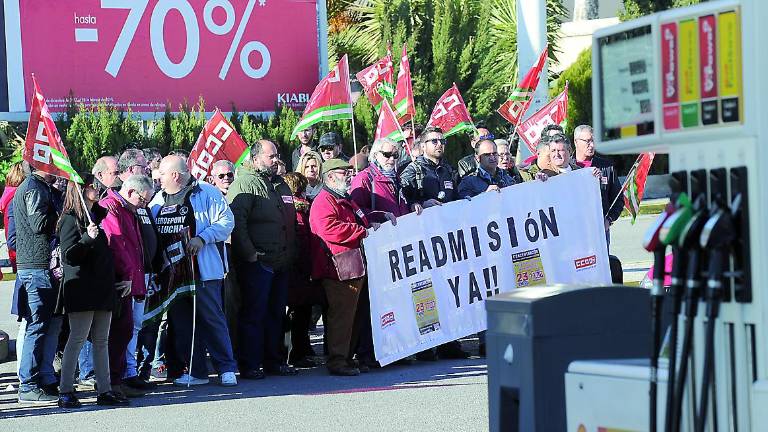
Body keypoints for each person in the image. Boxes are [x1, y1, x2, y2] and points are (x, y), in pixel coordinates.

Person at [150, 155, 238, 387]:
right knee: (182, 323)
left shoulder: (206, 192)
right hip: (174, 276)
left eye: (162, 174)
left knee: (212, 319)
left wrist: (202, 238)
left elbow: (227, 221)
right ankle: (196, 371)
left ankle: (226, 368)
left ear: (175, 176)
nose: (158, 179)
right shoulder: (158, 199)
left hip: (203, 273)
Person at [55, 175, 128, 408]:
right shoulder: (69, 219)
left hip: (102, 288)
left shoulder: (96, 214)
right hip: (82, 289)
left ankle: (104, 389)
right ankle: (65, 390)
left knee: (101, 340)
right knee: (76, 339)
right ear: (80, 190)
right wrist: (87, 238)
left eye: (98, 186)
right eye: (93, 186)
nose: (98, 189)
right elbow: (69, 255)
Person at [228, 140, 298, 379]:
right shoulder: (245, 183)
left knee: (276, 314)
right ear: (256, 158)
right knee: (254, 315)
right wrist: (250, 254)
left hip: (281, 261)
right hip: (259, 262)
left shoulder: (279, 184)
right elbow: (237, 224)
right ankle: (250, 363)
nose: (276, 160)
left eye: (277, 156)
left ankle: (274, 361)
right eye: (271, 156)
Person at [400, 127, 469, 360]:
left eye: (442, 141)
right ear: (422, 146)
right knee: (425, 294)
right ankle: (425, 345)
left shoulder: (449, 170)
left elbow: (457, 198)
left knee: (448, 291)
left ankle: (449, 342)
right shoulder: (413, 171)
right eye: (433, 141)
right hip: (423, 241)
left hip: (447, 241)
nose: (439, 144)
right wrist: (419, 203)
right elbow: (404, 200)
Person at [310, 159, 376, 376]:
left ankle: (346, 357)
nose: (349, 175)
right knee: (342, 316)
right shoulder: (324, 201)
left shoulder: (343, 199)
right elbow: (328, 228)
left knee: (353, 315)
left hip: (352, 265)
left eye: (349, 171)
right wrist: (361, 231)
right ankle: (338, 361)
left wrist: (377, 220)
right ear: (329, 176)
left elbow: (363, 219)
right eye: (343, 172)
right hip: (338, 267)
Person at [99, 174, 154, 398]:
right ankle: (111, 382)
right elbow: (117, 243)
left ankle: (118, 379)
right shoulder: (111, 207)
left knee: (125, 330)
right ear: (131, 192)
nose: (144, 205)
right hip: (119, 281)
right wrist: (128, 275)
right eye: (143, 200)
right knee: (117, 332)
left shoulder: (128, 209)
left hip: (130, 279)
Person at [349, 138, 402, 368]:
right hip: (374, 248)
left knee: (391, 301)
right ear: (375, 155)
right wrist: (377, 216)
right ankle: (367, 353)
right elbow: (355, 209)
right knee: (371, 304)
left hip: (395, 247)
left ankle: (390, 350)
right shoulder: (365, 179)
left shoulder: (395, 179)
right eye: (387, 154)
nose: (392, 159)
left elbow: (400, 209)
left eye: (395, 155)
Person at [14, 167, 62, 403]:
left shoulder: (38, 187)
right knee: (37, 326)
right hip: (36, 266)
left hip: (37, 265)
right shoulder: (33, 188)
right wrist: (60, 213)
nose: (56, 169)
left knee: (44, 324)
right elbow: (38, 223)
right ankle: (28, 385)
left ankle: (42, 378)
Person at [282, 172, 321, 368]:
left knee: (299, 313)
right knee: (299, 314)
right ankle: (297, 353)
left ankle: (299, 350)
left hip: (296, 269)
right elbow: (303, 242)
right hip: (300, 270)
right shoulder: (299, 212)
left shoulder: (297, 210)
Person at [573, 125, 623, 248]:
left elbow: (619, 199)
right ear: (576, 142)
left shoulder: (606, 167)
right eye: (588, 141)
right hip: (573, 231)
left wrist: (609, 220)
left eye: (594, 141)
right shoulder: (566, 167)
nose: (592, 145)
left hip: (599, 230)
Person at [0, 161, 25, 272]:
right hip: (23, 257)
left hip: (17, 255)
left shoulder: (9, 196)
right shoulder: (16, 199)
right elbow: (12, 238)